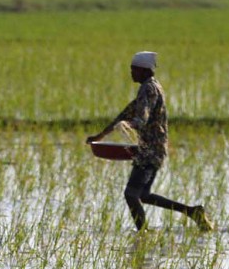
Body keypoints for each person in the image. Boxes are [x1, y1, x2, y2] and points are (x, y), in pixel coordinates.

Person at [87, 51, 213, 232]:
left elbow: (141, 119)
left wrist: (129, 125)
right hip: (151, 149)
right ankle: (192, 212)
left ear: (144, 70)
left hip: (150, 151)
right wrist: (100, 136)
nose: (131, 73)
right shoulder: (149, 87)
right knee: (143, 195)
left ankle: (143, 234)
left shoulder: (148, 89)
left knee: (131, 194)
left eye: (134, 70)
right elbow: (127, 113)